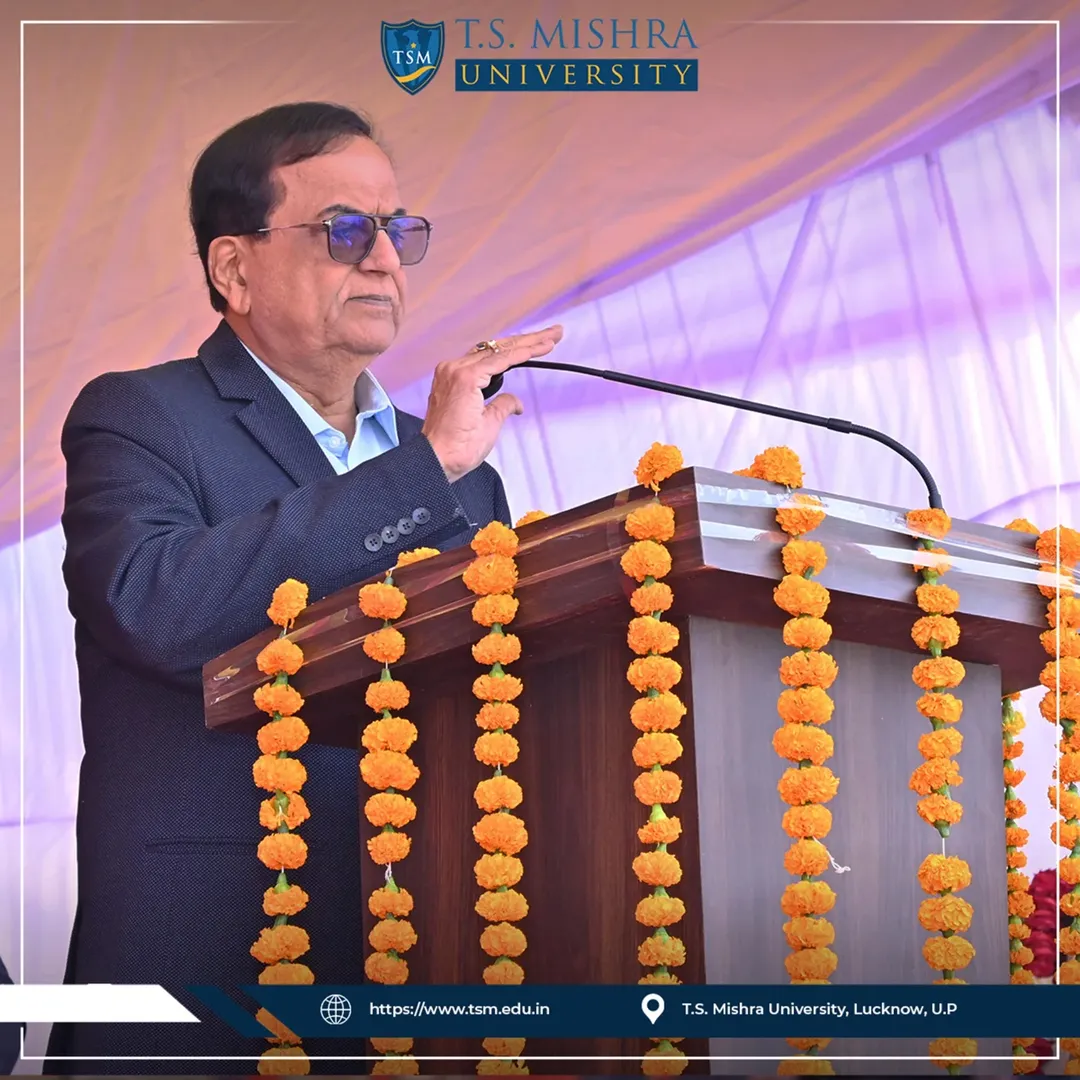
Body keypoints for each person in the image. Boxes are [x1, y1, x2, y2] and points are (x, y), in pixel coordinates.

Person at [45, 101, 562, 1074]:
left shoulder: (455, 470)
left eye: (399, 230)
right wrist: (420, 475)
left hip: (427, 950)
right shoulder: (142, 416)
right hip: (207, 953)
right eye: (345, 230)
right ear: (233, 268)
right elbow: (157, 607)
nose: (386, 260)